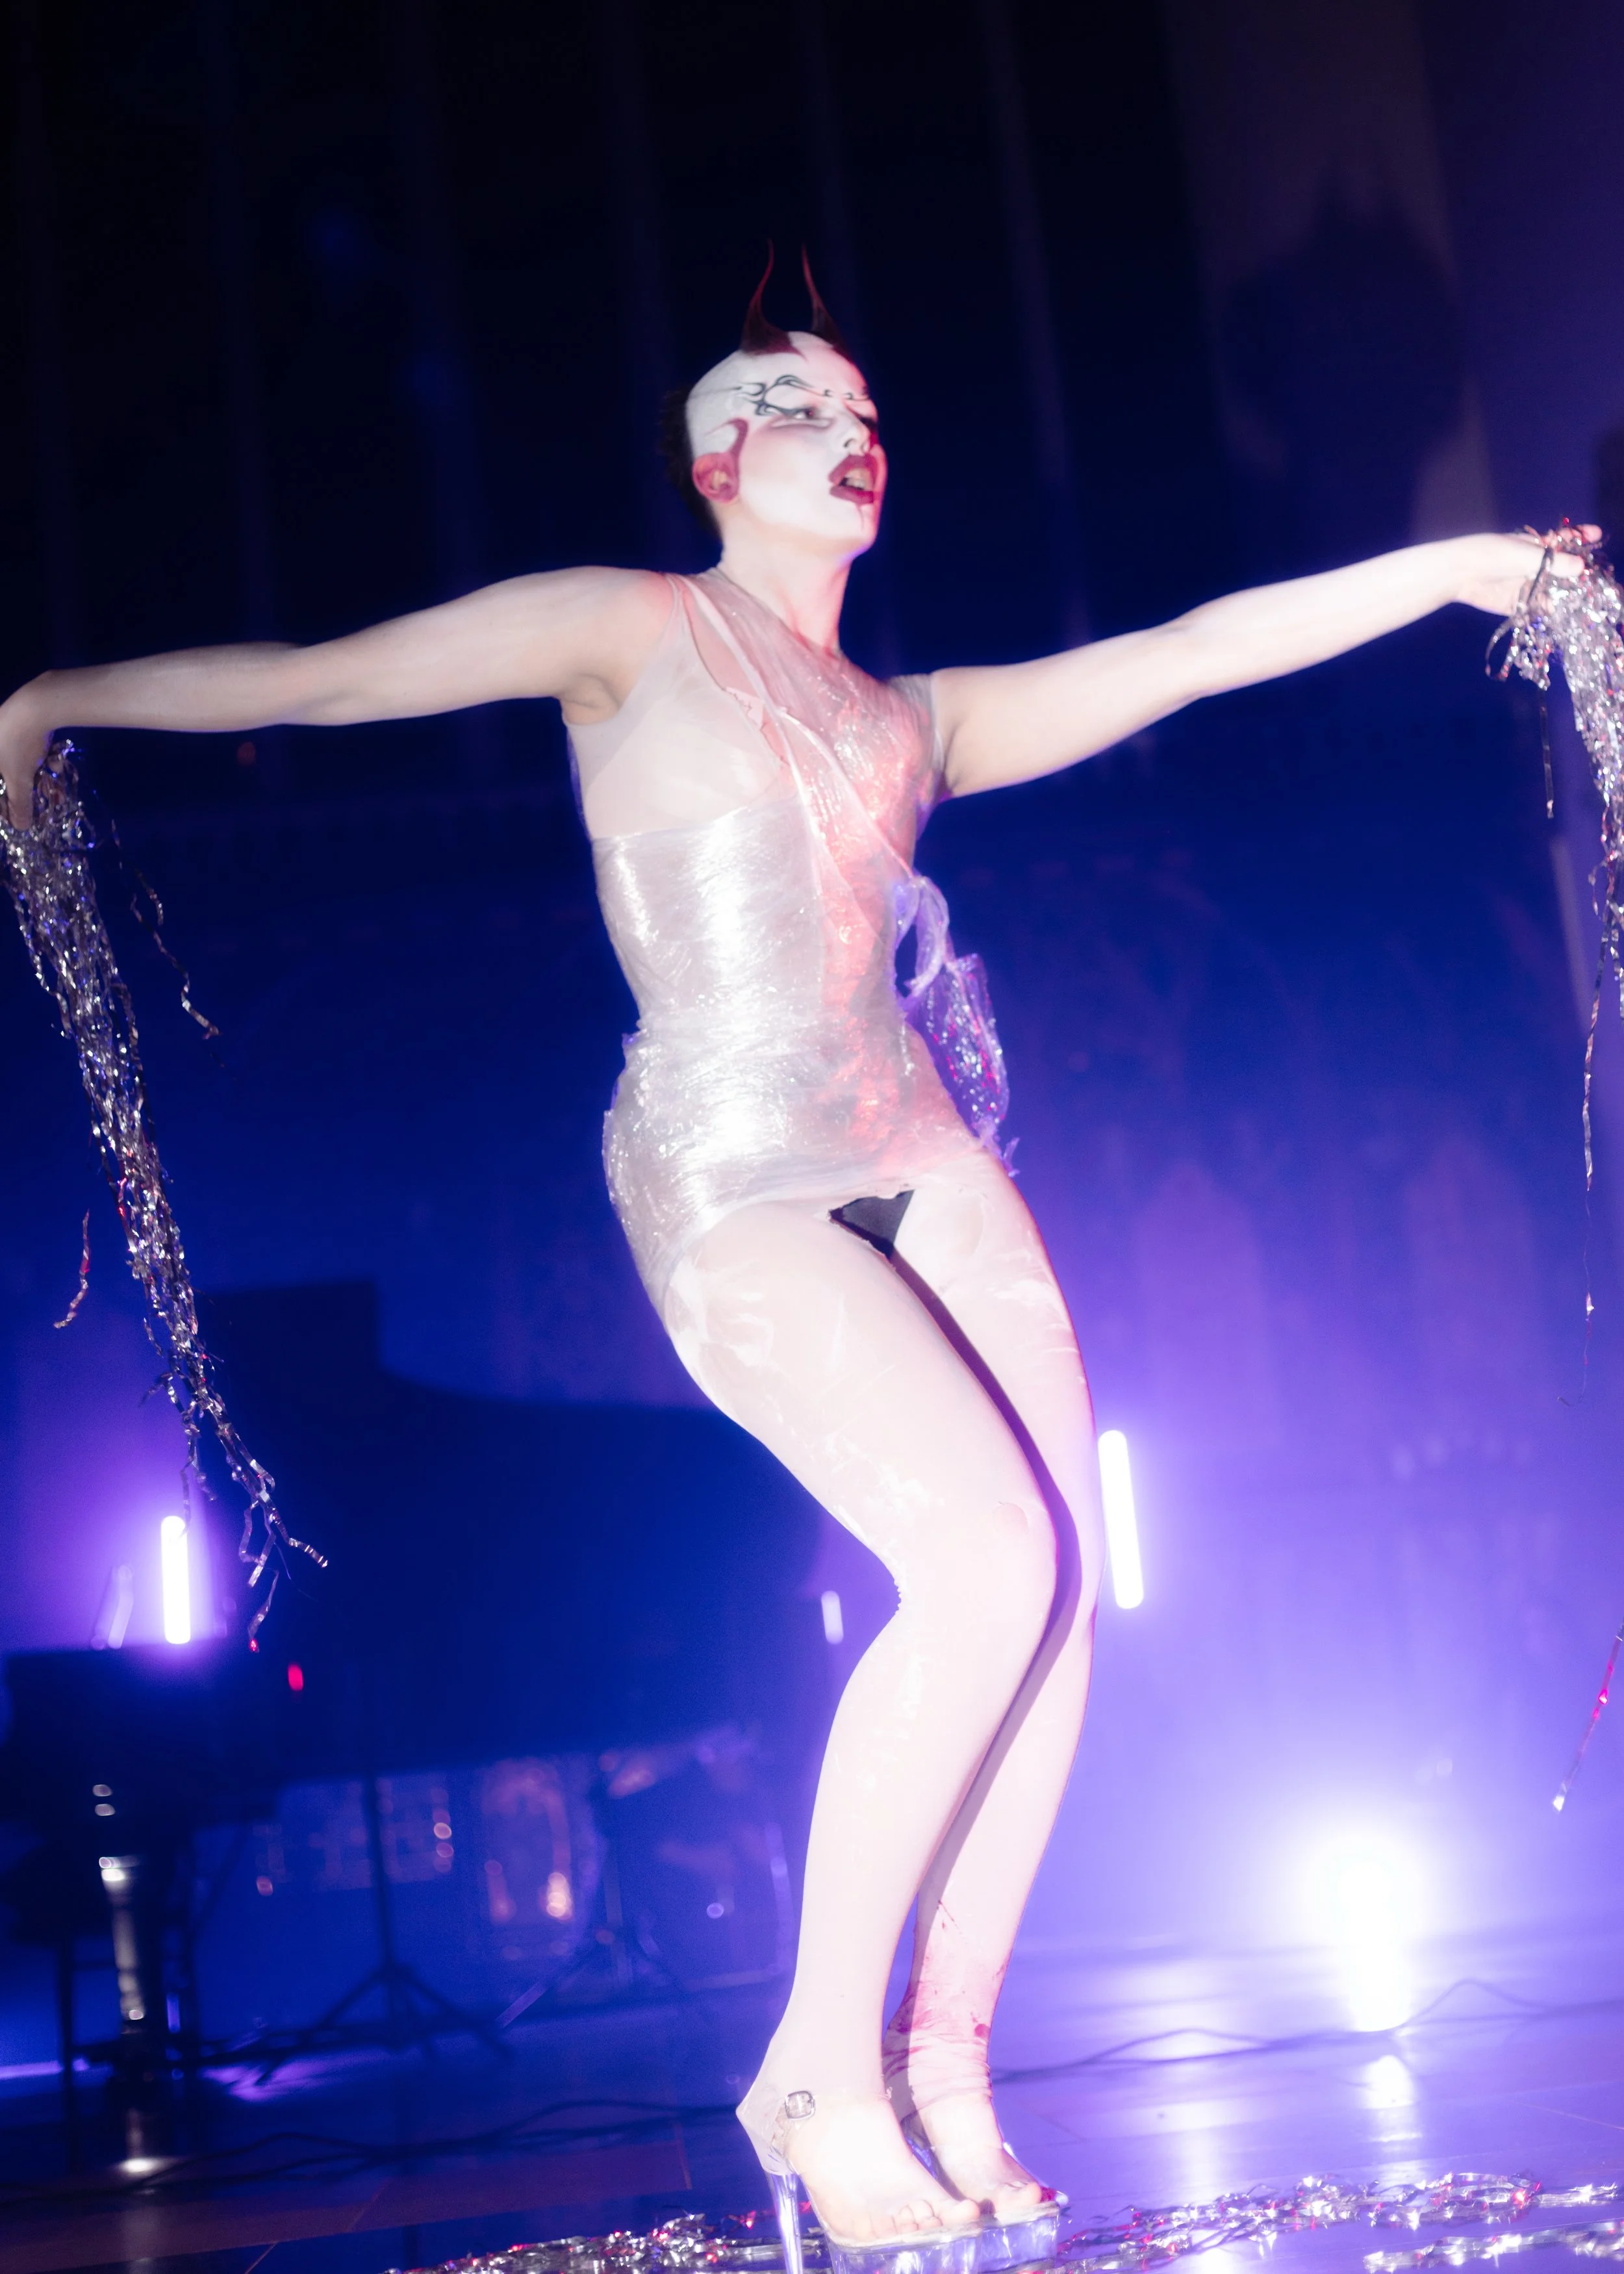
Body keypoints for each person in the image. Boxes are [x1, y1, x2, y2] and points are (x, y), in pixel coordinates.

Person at [0, 265, 1583, 2271]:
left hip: (915, 1143)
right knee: (981, 1566)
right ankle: (817, 2066)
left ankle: (944, 2053)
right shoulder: (632, 629)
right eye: (787, 398)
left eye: (858, 401)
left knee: (1058, 1596)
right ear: (710, 459)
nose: (843, 423)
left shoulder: (918, 719)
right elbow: (327, 674)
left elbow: (1192, 648)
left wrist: (1454, 565)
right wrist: (53, 700)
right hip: (723, 1162)